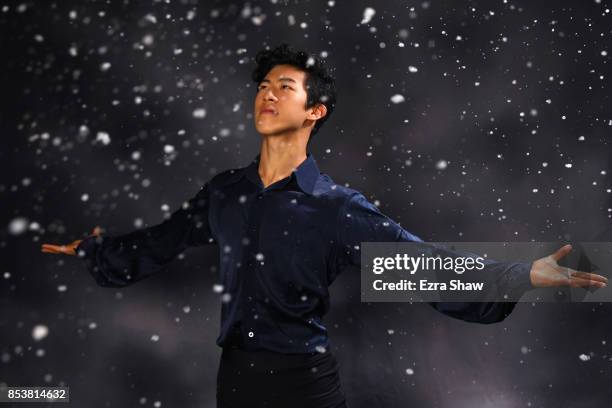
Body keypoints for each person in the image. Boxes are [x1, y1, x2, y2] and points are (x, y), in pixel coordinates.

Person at [41, 43, 608, 408]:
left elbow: (421, 266)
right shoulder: (225, 193)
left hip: (303, 386)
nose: (267, 93)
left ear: (315, 112)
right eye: (263, 86)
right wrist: (97, 251)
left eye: (283, 87)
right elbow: (160, 243)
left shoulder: (336, 208)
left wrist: (521, 275)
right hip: (234, 380)